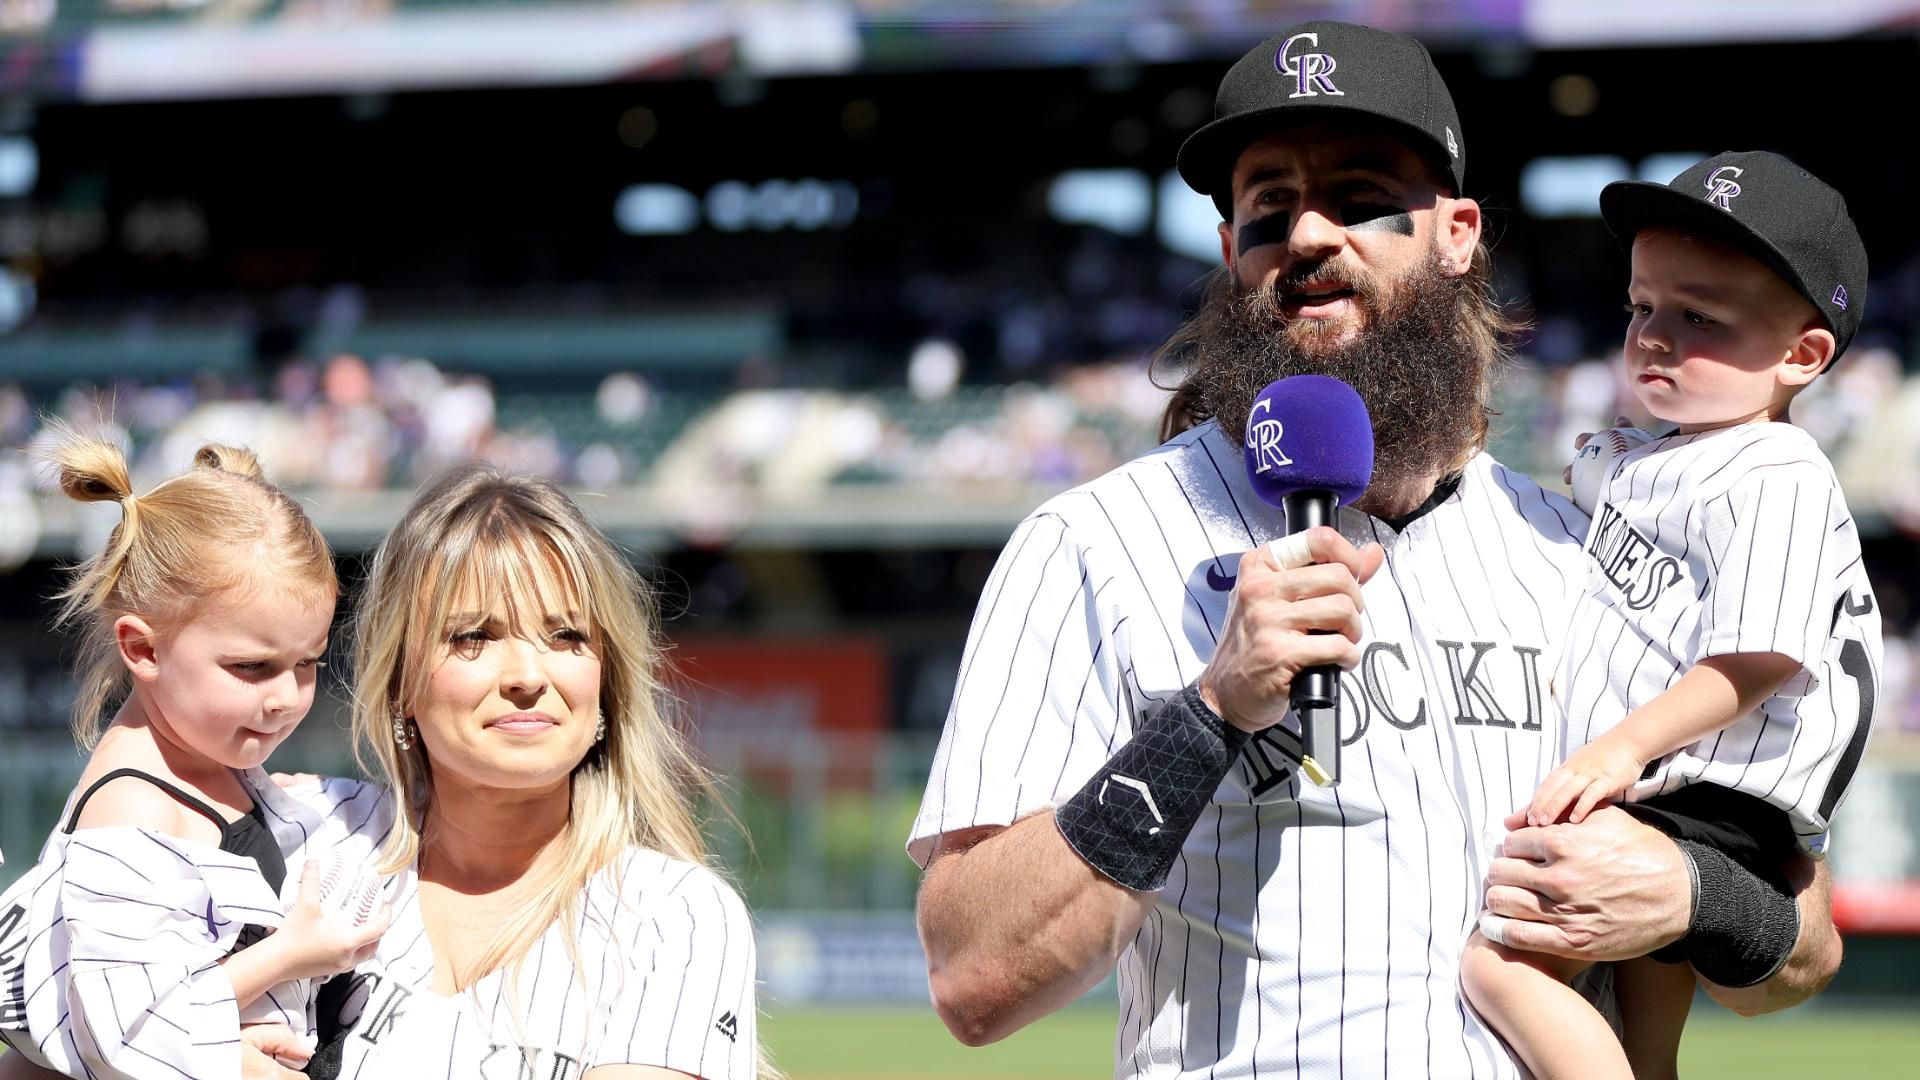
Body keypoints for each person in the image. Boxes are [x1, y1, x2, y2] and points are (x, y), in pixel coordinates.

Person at [908, 21, 1844, 1078]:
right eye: (1267, 208)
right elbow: (974, 978)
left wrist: (1689, 895)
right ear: (1229, 255)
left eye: (1360, 198)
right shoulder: (1094, 542)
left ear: (1457, 234)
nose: (1309, 234)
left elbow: (1803, 954)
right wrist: (1209, 714)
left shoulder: (1590, 552)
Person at [1460, 151, 1880, 1080]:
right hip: (1693, 789)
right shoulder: (1660, 457)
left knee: (1504, 965)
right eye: (1641, 307)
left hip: (1708, 787)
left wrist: (1619, 752)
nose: (1653, 335)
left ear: (1801, 356)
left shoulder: (1776, 472)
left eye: (1700, 318)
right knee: (1647, 1002)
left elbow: (1756, 658)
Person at [301, 462, 764, 1079]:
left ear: (606, 683)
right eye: (474, 636)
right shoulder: (312, 842)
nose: (527, 675)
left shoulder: (673, 914)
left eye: (566, 635)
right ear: (399, 682)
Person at [0, 435, 389, 1079]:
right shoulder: (132, 813)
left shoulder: (213, 758)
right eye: (250, 667)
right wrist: (288, 955)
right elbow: (125, 1030)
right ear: (144, 650)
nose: (285, 698)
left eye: (307, 663)